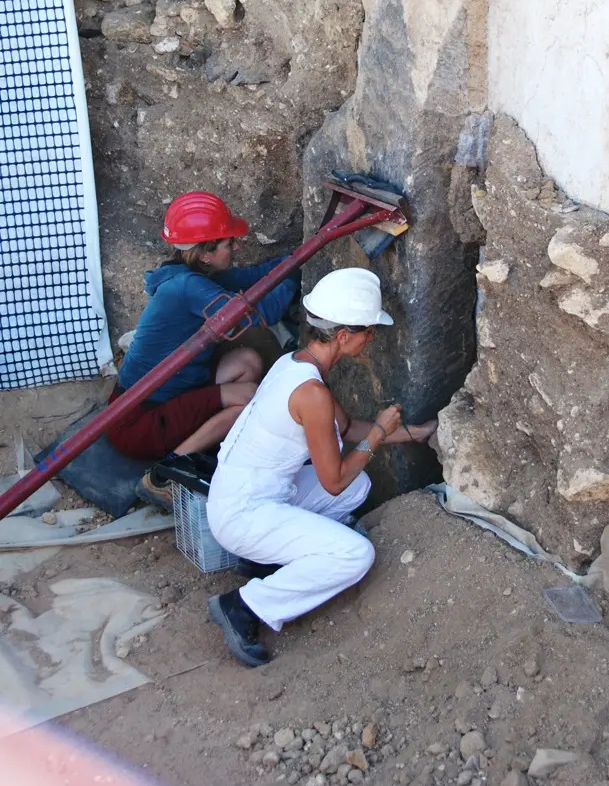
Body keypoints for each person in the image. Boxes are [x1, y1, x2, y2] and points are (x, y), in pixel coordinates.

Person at [205, 267, 438, 667]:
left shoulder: (295, 364)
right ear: (343, 336)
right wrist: (379, 435)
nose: (371, 339)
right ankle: (244, 606)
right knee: (355, 555)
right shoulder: (311, 393)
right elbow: (333, 480)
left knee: (358, 487)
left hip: (245, 492)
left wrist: (418, 432)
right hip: (242, 515)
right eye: (368, 331)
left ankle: (261, 560)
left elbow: (345, 428)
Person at [106, 191, 299, 511]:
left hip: (166, 395)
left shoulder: (189, 273)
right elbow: (259, 315)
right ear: (206, 253)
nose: (236, 247)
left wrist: (296, 258)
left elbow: (251, 277)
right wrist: (293, 276)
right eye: (228, 243)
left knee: (248, 361)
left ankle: (202, 442)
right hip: (139, 422)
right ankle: (167, 473)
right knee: (250, 397)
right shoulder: (188, 288)